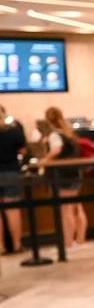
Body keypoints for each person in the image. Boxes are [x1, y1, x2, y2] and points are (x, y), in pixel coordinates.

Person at [40, 106, 86, 246]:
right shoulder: (69, 133)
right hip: (75, 174)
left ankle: (67, 243)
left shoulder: (54, 135)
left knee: (65, 210)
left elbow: (56, 149)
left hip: (62, 175)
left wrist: (45, 160)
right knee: (77, 207)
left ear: (48, 120)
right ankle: (80, 239)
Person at [0, 107, 25, 254]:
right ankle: (16, 244)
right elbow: (22, 151)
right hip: (11, 171)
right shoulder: (14, 130)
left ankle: (1, 247)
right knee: (13, 210)